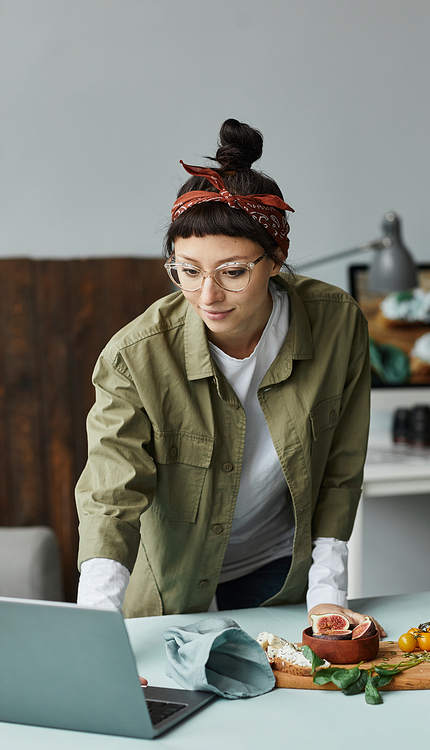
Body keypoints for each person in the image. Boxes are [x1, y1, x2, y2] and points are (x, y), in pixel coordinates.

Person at [76, 118, 383, 634]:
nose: (208, 296)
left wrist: (327, 595)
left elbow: (341, 468)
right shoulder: (134, 357)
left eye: (234, 271)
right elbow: (111, 497)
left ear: (277, 258)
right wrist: (96, 632)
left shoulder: (336, 322)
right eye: (187, 270)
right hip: (174, 585)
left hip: (280, 574)